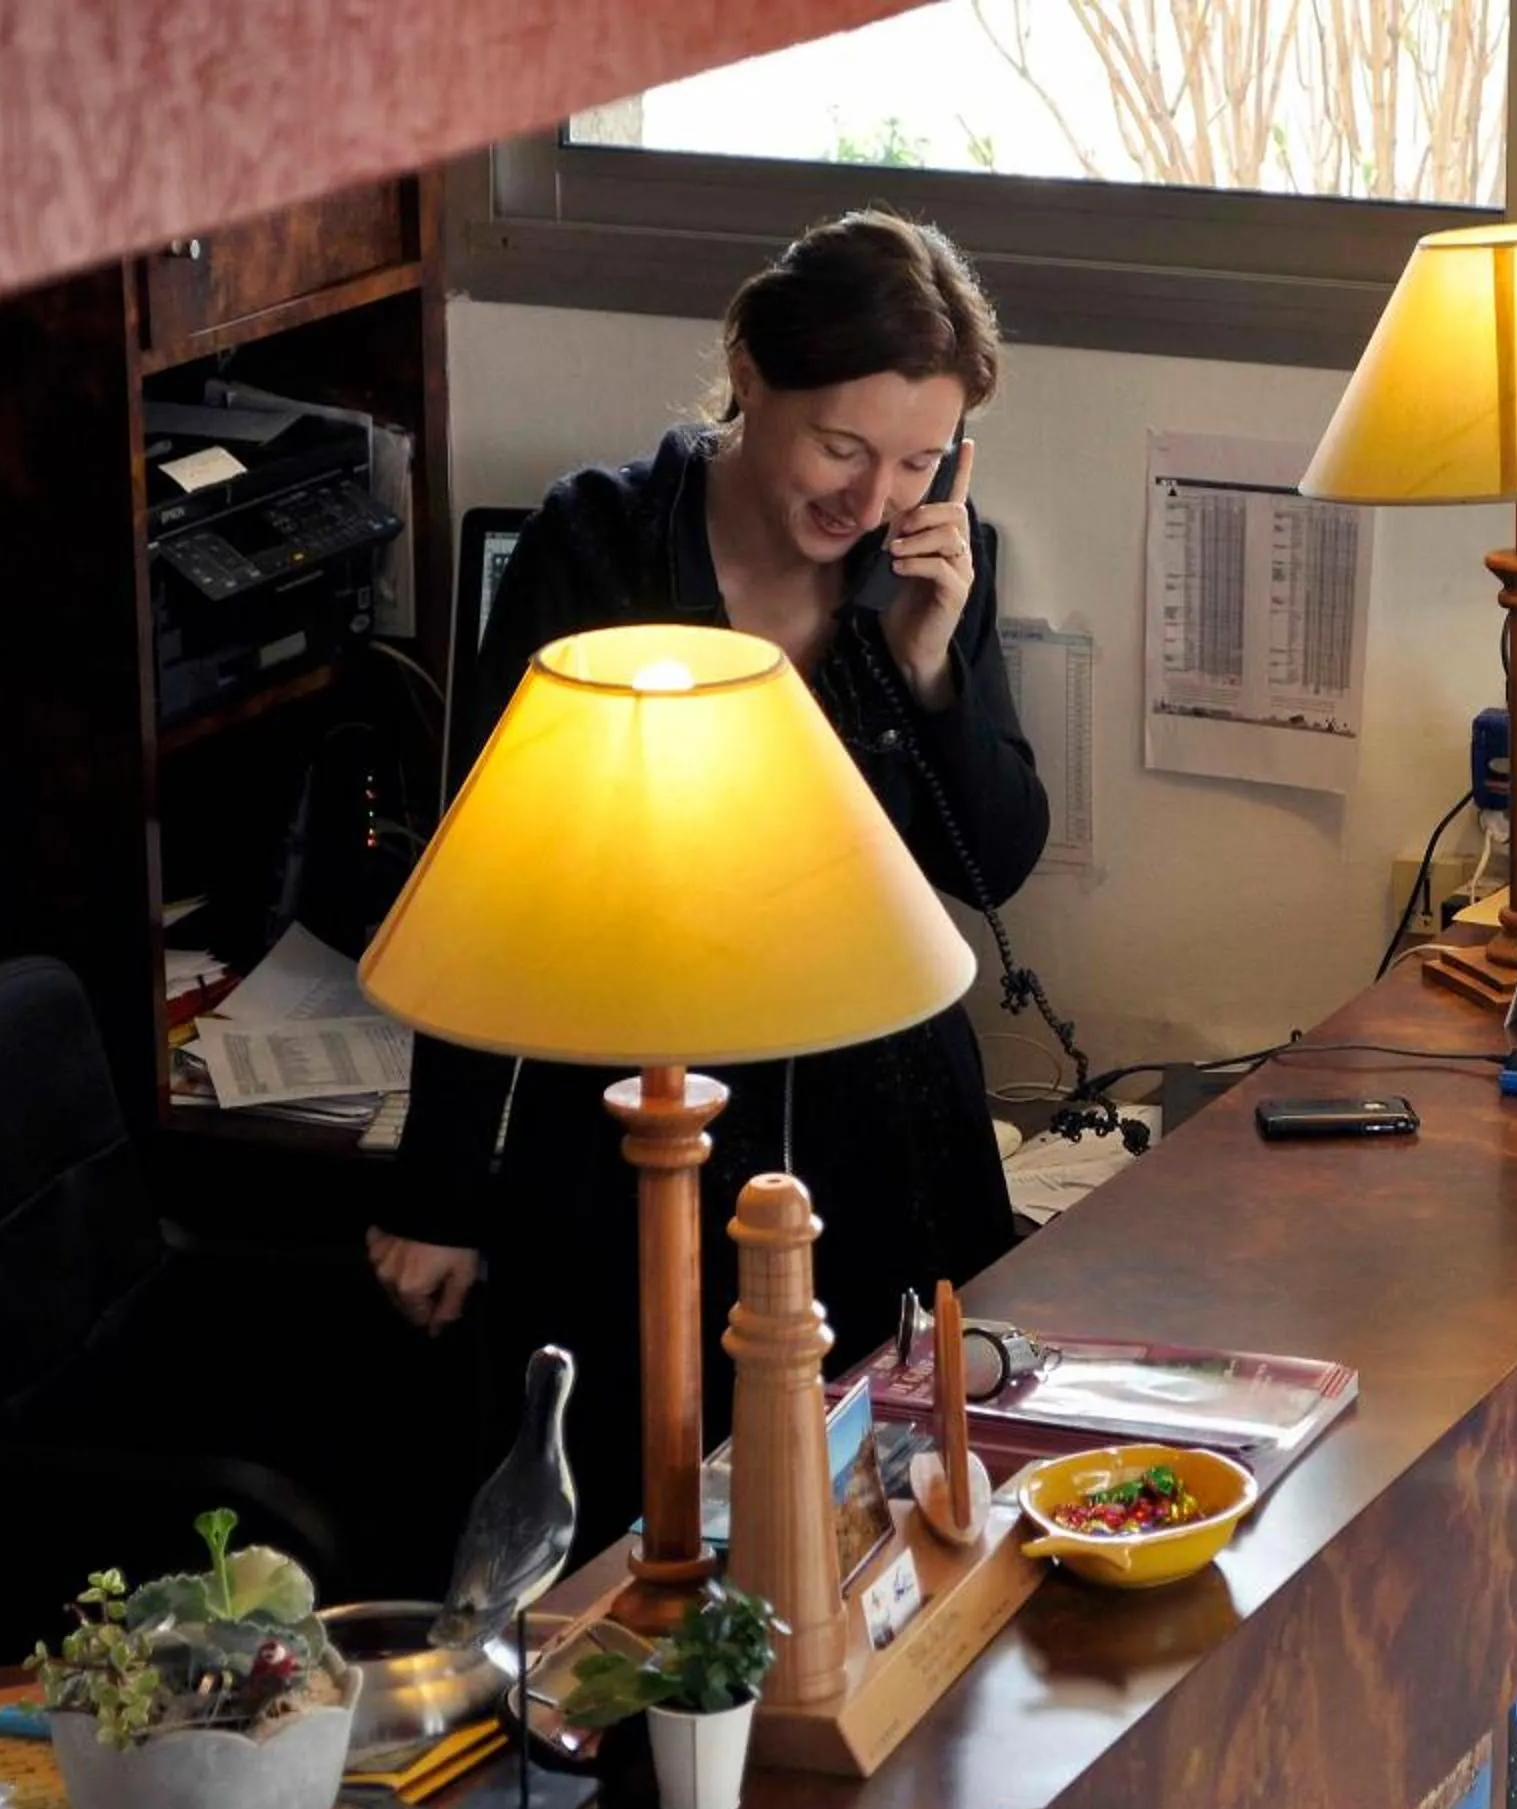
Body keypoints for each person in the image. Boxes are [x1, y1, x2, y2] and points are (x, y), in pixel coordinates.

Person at [367, 210, 1048, 1566]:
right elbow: (489, 877)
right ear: (751, 372)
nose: (871, 499)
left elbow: (997, 860)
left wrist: (926, 664)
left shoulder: (927, 568)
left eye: (918, 461)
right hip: (643, 1120)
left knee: (893, 1545)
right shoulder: (599, 547)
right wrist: (442, 1189)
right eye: (842, 449)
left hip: (882, 1139)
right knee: (647, 1552)